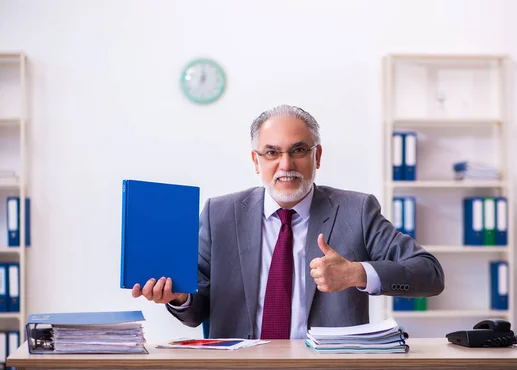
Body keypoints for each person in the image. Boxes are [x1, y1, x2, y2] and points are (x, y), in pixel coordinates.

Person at [132, 104, 444, 339]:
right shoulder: (219, 214)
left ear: (317, 157)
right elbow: (195, 311)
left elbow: (430, 274)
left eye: (298, 150)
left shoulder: (356, 210)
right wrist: (180, 297)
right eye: (272, 152)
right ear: (257, 161)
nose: (286, 164)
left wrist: (356, 273)